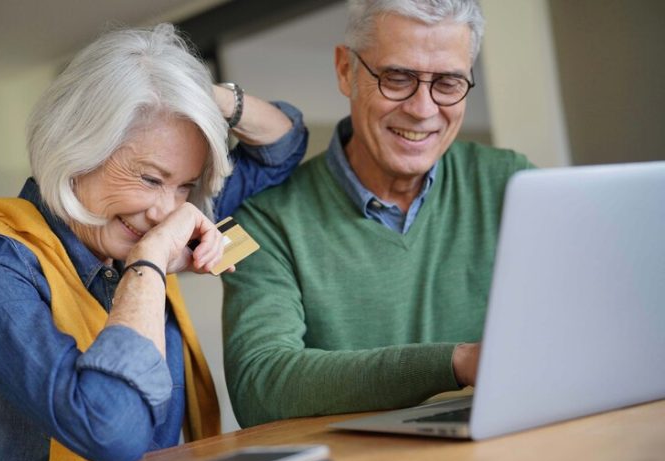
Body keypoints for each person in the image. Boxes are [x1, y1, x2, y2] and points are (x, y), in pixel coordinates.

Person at [0, 23, 307, 461]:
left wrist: (186, 87)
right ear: (76, 149)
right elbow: (109, 433)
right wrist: (149, 265)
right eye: (150, 178)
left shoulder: (147, 221)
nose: (167, 212)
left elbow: (283, 144)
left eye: (186, 186)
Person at [222, 0, 535, 427]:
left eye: (447, 83)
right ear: (345, 70)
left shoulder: (512, 183)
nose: (423, 109)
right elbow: (258, 385)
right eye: (397, 78)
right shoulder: (261, 219)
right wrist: (456, 363)